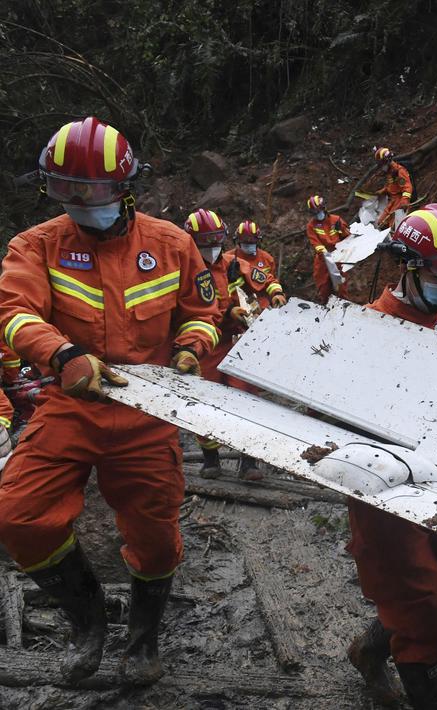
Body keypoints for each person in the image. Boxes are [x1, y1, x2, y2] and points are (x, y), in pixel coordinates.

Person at [0, 117, 221, 684]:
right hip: (72, 402)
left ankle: (142, 642)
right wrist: (60, 354)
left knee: (155, 533)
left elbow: (202, 313)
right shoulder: (37, 245)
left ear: (126, 187)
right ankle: (88, 618)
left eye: (91, 190)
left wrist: (193, 347)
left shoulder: (172, 245)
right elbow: (13, 312)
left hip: (149, 410)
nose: (78, 201)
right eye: (64, 189)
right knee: (18, 515)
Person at [346, 204, 437, 709]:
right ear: (406, 267)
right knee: (423, 611)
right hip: (383, 492)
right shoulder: (365, 332)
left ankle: (370, 650)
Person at [182, 209, 263, 481]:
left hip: (234, 343)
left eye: (216, 242)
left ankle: (248, 461)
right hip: (202, 348)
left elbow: (261, 280)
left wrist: (274, 295)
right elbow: (188, 313)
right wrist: (227, 314)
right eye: (206, 244)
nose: (213, 249)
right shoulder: (180, 270)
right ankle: (211, 458)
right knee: (204, 402)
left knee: (245, 399)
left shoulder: (229, 264)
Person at [227, 219, 286, 310]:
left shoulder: (267, 259)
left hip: (262, 303)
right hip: (237, 304)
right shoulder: (228, 258)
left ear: (258, 240)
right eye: (245, 240)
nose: (248, 243)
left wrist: (277, 294)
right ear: (238, 240)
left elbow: (270, 280)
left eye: (251, 240)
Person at [305, 194, 350, 303]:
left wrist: (342, 231)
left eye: (318, 211)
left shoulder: (336, 220)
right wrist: (326, 254)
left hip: (339, 257)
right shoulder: (311, 226)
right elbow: (316, 244)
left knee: (341, 288)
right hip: (323, 261)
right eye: (314, 213)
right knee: (323, 288)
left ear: (323, 208)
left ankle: (343, 308)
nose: (317, 214)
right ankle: (325, 308)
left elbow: (348, 237)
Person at [373, 147, 414, 229]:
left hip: (399, 200)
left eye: (382, 164)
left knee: (394, 225)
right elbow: (391, 185)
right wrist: (383, 191)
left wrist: (405, 200)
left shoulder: (399, 171)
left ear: (387, 161)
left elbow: (407, 187)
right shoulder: (390, 172)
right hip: (392, 201)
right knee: (380, 222)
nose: (381, 167)